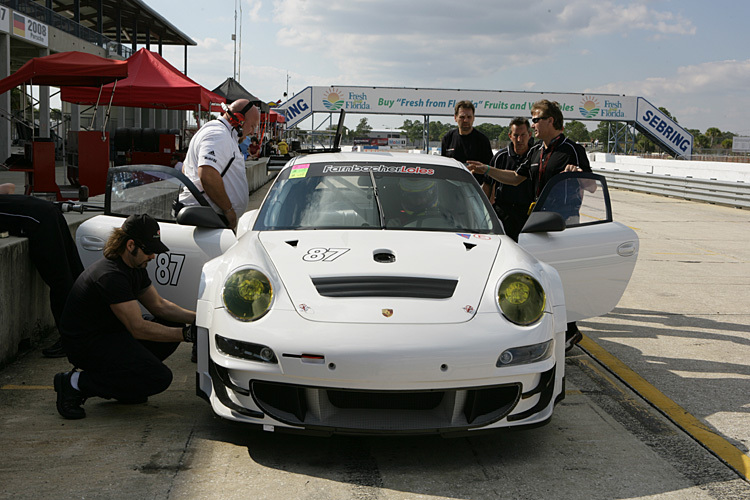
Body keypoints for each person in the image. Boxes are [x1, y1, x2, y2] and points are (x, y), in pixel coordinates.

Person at [467, 99, 594, 351]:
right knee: (539, 276)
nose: (533, 124)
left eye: (535, 119)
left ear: (550, 121)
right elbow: (515, 178)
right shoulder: (537, 151)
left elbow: (590, 185)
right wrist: (487, 169)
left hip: (563, 224)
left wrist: (576, 174)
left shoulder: (572, 149)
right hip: (536, 223)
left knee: (559, 277)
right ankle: (546, 327)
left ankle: (570, 330)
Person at [54, 214, 197, 419]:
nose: (153, 257)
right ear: (131, 245)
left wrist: (199, 319)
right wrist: (187, 335)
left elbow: (159, 306)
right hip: (86, 345)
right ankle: (74, 383)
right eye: (148, 250)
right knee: (159, 378)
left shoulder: (134, 267)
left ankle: (129, 386)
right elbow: (137, 327)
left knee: (170, 321)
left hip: (110, 334)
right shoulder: (111, 275)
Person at [0, 188, 85, 358]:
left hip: (40, 221)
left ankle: (71, 341)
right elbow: (9, 187)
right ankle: (86, 332)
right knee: (74, 272)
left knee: (60, 281)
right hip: (48, 211)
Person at [177, 99, 260, 230]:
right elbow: (207, 174)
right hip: (206, 218)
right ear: (239, 119)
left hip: (207, 215)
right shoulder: (218, 135)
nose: (253, 132)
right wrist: (228, 210)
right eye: (252, 126)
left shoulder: (217, 131)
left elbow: (185, 169)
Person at [484, 117, 535, 241]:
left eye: (523, 135)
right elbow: (487, 186)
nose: (519, 139)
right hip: (503, 214)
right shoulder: (500, 157)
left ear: (529, 134)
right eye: (516, 135)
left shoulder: (536, 156)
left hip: (529, 214)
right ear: (510, 136)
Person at [441, 100, 493, 183]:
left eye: (469, 117)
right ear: (455, 118)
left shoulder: (482, 140)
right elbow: (443, 167)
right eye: (462, 117)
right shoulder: (448, 138)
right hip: (451, 186)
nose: (465, 120)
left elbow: (490, 171)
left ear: (473, 118)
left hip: (475, 187)